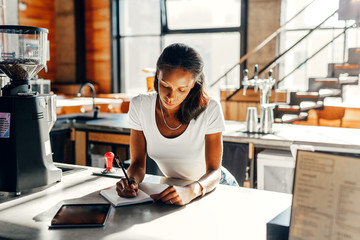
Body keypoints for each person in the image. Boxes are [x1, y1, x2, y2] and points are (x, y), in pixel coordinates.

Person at [116, 43, 231, 206]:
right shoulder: (140, 106)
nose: (171, 96)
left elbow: (215, 171)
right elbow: (137, 164)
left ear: (193, 84)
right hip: (176, 190)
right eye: (165, 85)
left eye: (181, 89)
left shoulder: (210, 109)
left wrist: (191, 190)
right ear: (157, 75)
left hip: (211, 188)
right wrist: (131, 181)